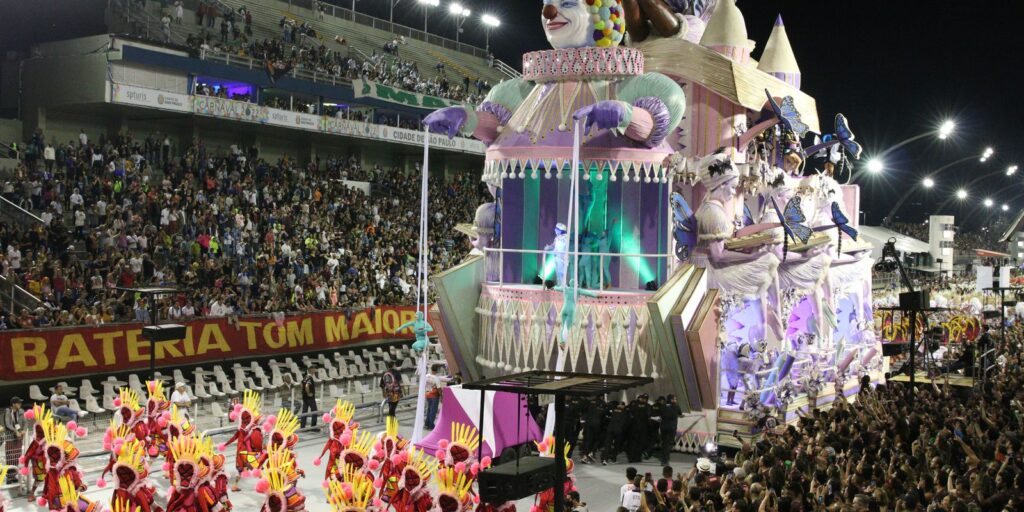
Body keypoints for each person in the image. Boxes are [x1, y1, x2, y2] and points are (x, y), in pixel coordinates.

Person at [3, 397, 24, 483]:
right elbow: (8, 424)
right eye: (18, 403)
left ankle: (14, 475)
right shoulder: (8, 411)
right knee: (10, 456)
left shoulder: (21, 411)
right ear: (14, 404)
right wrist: (16, 431)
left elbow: (25, 422)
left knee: (17, 456)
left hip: (19, 437)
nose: (20, 404)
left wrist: (23, 431)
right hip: (10, 437)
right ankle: (9, 477)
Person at [424, 364, 450, 430]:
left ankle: (426, 424)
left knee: (429, 409)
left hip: (427, 394)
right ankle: (431, 426)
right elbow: (439, 389)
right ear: (437, 370)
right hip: (434, 396)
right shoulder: (436, 378)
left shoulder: (426, 376)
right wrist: (442, 396)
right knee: (433, 411)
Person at [657, 394, 681, 465]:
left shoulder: (663, 406)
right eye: (675, 399)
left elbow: (660, 414)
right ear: (671, 400)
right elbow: (680, 413)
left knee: (664, 444)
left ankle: (663, 460)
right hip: (671, 429)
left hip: (663, 428)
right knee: (668, 445)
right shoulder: (676, 406)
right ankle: (665, 461)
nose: (675, 400)